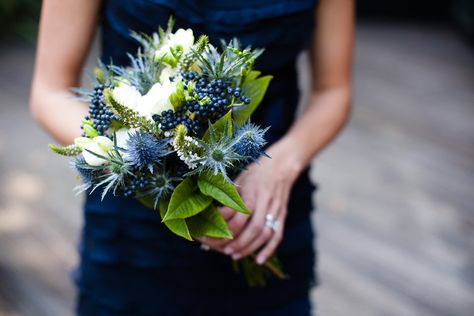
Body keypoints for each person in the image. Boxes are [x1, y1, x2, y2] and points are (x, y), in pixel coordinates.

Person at [30, 0, 353, 315]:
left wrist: (281, 166)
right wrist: (156, 167)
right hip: (136, 223)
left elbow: (333, 91)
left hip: (265, 212)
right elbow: (50, 93)